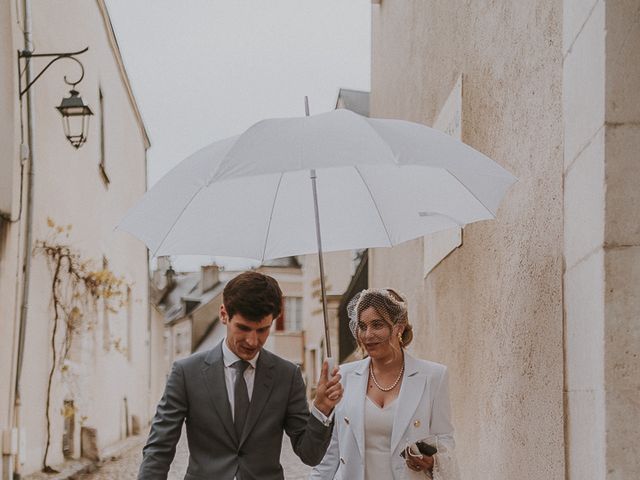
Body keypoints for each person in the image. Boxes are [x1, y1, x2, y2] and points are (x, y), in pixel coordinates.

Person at [139, 271, 343, 480]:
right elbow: (159, 450)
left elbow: (310, 454)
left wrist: (322, 408)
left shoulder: (288, 376)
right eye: (243, 328)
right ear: (224, 314)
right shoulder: (185, 373)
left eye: (262, 330)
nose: (252, 341)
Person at [309, 288, 456, 480]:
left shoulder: (433, 376)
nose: (368, 335)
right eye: (362, 326)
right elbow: (331, 453)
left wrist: (432, 460)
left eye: (377, 325)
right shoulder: (344, 376)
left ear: (399, 327)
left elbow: (445, 440)